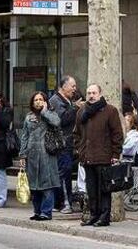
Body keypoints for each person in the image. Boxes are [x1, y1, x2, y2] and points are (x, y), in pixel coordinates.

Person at [75, 84, 123, 227]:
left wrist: (115, 153)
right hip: (87, 156)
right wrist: (79, 150)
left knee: (104, 189)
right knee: (91, 189)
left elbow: (117, 134)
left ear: (100, 94)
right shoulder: (82, 111)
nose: (91, 95)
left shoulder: (110, 111)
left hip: (104, 156)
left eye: (94, 93)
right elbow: (76, 134)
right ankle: (94, 215)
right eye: (89, 92)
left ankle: (104, 216)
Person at [19, 91, 61, 221]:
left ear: (45, 101)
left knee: (47, 185)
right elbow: (25, 136)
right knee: (34, 186)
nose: (38, 102)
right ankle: (37, 211)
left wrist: (44, 112)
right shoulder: (28, 117)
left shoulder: (50, 114)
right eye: (36, 100)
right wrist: (22, 155)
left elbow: (56, 122)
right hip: (32, 155)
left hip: (47, 154)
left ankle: (46, 212)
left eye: (40, 99)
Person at [49, 75, 78, 214]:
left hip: (68, 142)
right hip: (61, 143)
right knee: (64, 172)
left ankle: (58, 202)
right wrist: (75, 108)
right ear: (64, 86)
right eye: (72, 86)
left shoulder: (68, 100)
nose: (74, 89)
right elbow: (61, 120)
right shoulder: (55, 100)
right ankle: (65, 203)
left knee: (63, 172)